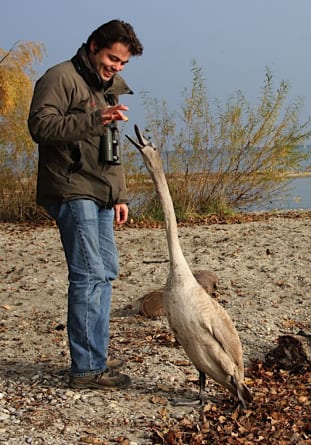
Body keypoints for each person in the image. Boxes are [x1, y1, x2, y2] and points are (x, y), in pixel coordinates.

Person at [27, 20, 143, 389]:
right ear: (93, 46)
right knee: (88, 276)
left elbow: (111, 150)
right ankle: (87, 369)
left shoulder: (108, 88)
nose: (117, 67)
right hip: (70, 188)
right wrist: (95, 119)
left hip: (101, 194)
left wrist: (120, 195)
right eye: (112, 59)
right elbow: (40, 128)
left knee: (105, 272)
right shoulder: (59, 77)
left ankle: (94, 358)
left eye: (123, 64)